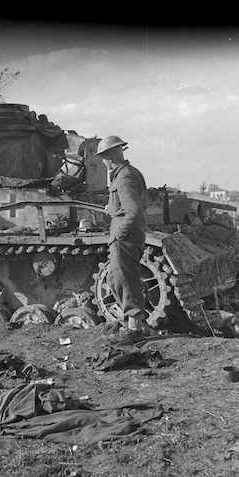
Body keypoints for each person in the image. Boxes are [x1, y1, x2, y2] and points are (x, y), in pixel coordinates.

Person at [97, 135, 150, 342]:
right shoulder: (130, 172)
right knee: (114, 278)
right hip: (129, 230)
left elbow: (134, 211)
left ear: (107, 157)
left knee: (125, 279)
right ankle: (135, 321)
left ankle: (135, 328)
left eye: (103, 157)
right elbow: (137, 204)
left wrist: (119, 233)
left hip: (125, 234)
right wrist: (113, 208)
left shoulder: (124, 177)